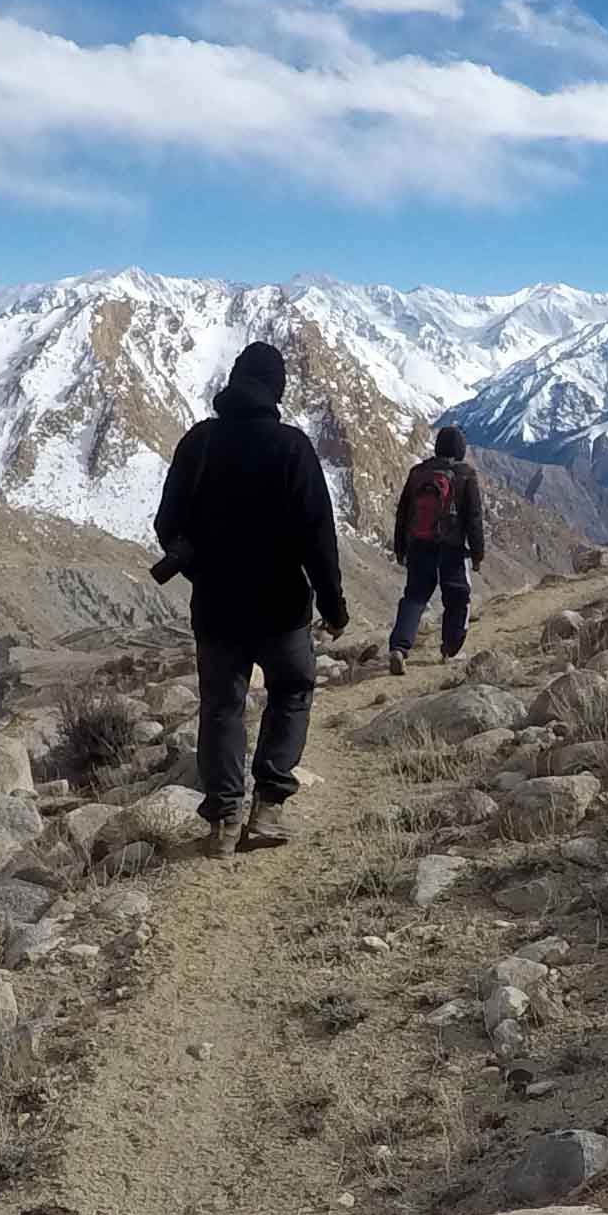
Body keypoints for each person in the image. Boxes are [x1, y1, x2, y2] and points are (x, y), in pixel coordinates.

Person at [152, 340, 348, 850]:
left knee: (221, 706)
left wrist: (201, 567)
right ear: (276, 389)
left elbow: (165, 524)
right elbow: (317, 536)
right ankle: (268, 809)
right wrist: (333, 605)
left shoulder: (200, 442)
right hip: (282, 607)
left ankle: (222, 823)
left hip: (216, 607)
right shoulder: (291, 447)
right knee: (291, 693)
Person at [383, 421, 486, 675]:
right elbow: (473, 518)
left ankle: (399, 647)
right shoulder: (465, 474)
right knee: (457, 597)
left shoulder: (418, 472)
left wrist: (400, 548)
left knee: (414, 598)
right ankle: (449, 649)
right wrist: (477, 554)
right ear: (460, 448)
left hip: (419, 544)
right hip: (452, 549)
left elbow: (403, 512)